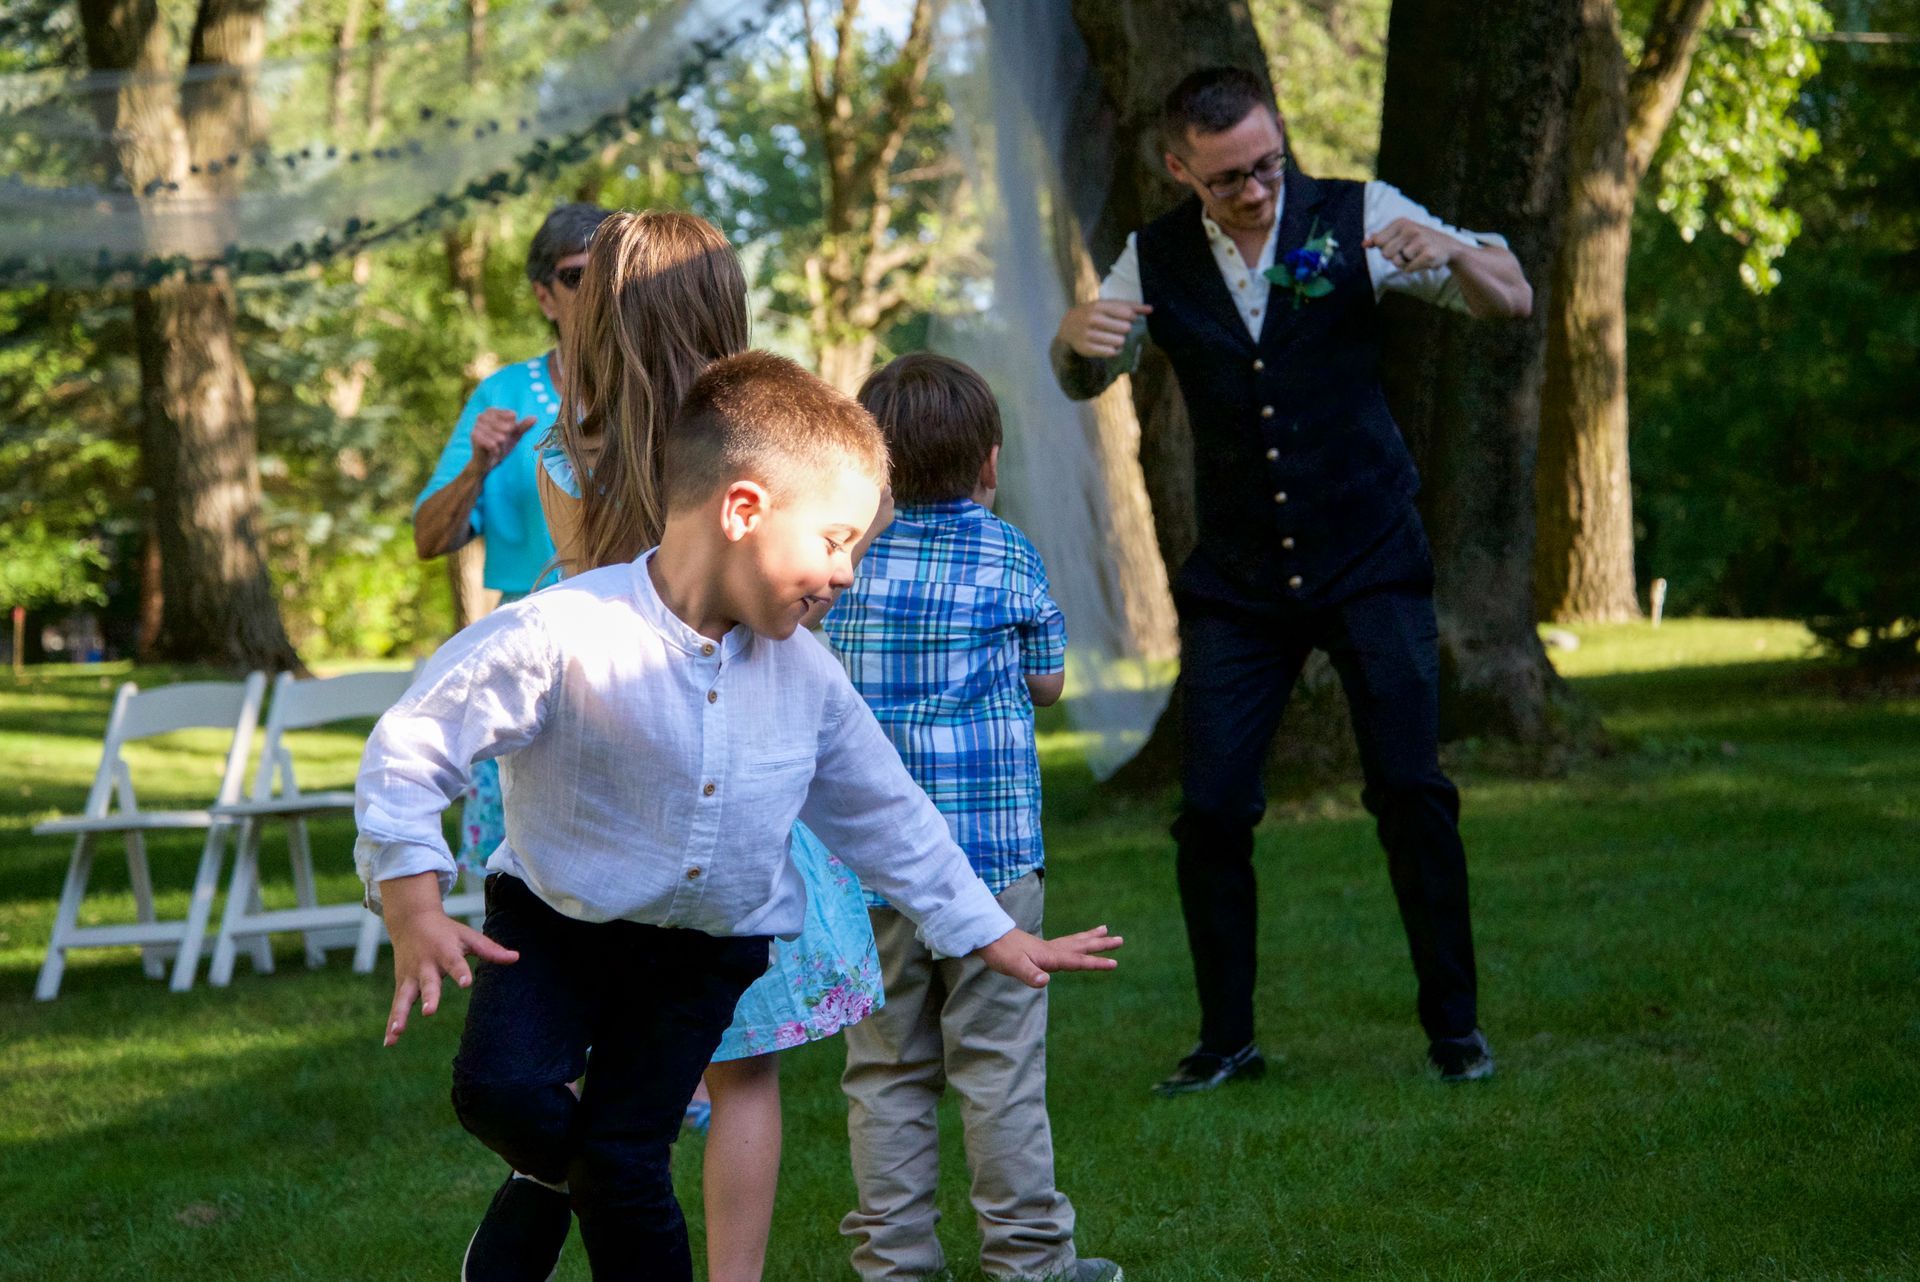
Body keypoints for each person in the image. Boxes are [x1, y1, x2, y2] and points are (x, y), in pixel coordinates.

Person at [353, 349, 1125, 1282]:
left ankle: (596, 1181)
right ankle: (552, 1178)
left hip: (704, 957)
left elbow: (887, 814)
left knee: (630, 1163)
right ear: (745, 510)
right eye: (837, 541)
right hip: (554, 928)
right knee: (500, 1090)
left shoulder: (808, 675)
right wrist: (411, 897)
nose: (845, 576)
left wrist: (988, 931)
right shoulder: (562, 632)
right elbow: (414, 742)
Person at [1051, 67, 1533, 1095]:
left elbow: (1513, 298)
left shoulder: (1361, 215)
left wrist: (1451, 250)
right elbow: (1092, 367)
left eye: (1269, 164)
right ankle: (1227, 1040)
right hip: (1240, 582)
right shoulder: (1157, 253)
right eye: (1229, 179)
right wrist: (1067, 346)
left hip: (1371, 557)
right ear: (1182, 169)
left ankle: (1457, 1031)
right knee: (1214, 809)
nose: (1259, 189)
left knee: (1412, 791)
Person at [531, 208, 889, 1282]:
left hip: (616, 773)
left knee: (607, 1054)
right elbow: (800, 603)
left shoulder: (570, 449)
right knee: (745, 1070)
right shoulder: (771, 449)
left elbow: (590, 604)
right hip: (742, 767)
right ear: (724, 304)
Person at [822, 353, 1122, 1282]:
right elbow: (1047, 680)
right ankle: (1030, 1266)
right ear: (989, 463)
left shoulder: (841, 561)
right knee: (998, 1073)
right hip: (991, 865)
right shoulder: (1008, 552)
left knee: (883, 1074)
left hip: (865, 868)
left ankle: (899, 1269)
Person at [412, 201, 613, 878]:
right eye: (581, 274)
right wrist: (478, 466)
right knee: (525, 873)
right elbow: (429, 536)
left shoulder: (660, 384)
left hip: (639, 652)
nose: (603, 287)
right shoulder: (503, 393)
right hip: (534, 657)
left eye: (618, 270)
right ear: (544, 295)